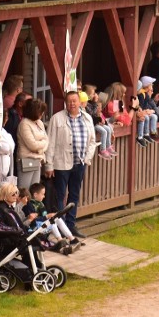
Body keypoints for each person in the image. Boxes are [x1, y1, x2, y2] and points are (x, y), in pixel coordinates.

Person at [44, 91, 96, 237]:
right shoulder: (57, 119)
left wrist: (87, 158)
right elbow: (50, 142)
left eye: (75, 101)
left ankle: (71, 225)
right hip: (61, 163)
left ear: (80, 102)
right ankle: (62, 226)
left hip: (80, 162)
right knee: (60, 195)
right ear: (65, 103)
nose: (72, 104)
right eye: (69, 101)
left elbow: (92, 141)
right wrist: (49, 164)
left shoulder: (87, 118)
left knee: (74, 194)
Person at [24, 182, 81, 254]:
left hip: (42, 225)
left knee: (58, 219)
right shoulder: (29, 205)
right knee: (52, 222)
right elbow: (32, 220)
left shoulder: (40, 204)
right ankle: (61, 241)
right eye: (42, 194)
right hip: (34, 228)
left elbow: (44, 216)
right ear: (35, 195)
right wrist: (47, 217)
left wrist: (50, 216)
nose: (44, 196)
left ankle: (72, 239)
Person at [16, 98, 49, 189]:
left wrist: (41, 147)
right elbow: (32, 145)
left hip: (38, 160)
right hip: (27, 160)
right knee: (25, 189)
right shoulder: (24, 124)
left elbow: (47, 140)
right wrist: (42, 144)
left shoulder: (39, 123)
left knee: (35, 189)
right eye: (40, 111)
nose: (42, 114)